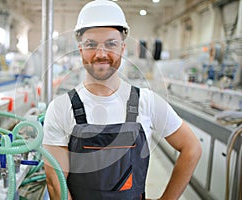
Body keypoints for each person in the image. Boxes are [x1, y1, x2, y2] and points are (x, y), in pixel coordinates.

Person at [42, 0, 202, 199]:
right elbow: (56, 185)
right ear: (80, 49)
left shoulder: (147, 101)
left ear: (122, 48)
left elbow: (192, 147)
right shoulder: (60, 108)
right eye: (91, 44)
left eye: (111, 44)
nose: (101, 54)